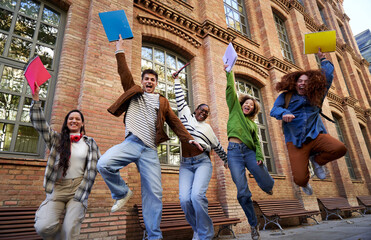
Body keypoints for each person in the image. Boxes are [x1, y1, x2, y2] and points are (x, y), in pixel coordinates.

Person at [96, 35, 202, 240]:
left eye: (153, 80)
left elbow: (175, 123)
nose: (149, 82)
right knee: (104, 163)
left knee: (154, 194)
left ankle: (154, 236)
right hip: (131, 143)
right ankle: (121, 193)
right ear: (142, 82)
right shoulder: (133, 92)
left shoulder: (162, 102)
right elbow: (124, 73)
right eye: (146, 79)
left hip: (150, 151)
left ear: (156, 83)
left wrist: (189, 139)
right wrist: (119, 49)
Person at [270, 49, 347, 195]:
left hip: (316, 135)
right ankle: (304, 182)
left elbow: (328, 76)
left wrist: (323, 59)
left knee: (340, 148)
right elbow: (273, 110)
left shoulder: (316, 95)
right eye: (300, 81)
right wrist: (284, 113)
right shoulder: (286, 96)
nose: (303, 84)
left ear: (310, 83)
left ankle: (317, 161)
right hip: (296, 141)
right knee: (299, 179)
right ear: (295, 82)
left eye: (306, 81)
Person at [31, 83, 101, 240]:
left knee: (70, 232)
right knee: (43, 227)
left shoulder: (90, 143)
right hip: (58, 187)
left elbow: (99, 165)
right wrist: (36, 99)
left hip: (78, 188)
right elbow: (41, 126)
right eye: (71, 118)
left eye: (78, 119)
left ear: (82, 123)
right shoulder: (56, 139)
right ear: (67, 122)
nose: (74, 120)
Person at [173, 74, 228, 240]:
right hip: (185, 164)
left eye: (206, 112)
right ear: (195, 110)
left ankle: (205, 235)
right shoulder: (185, 116)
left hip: (202, 163)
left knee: (197, 196)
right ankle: (198, 229)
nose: (203, 113)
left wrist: (226, 161)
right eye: (201, 110)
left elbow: (217, 147)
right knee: (184, 200)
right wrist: (176, 80)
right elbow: (180, 98)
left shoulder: (208, 129)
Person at [224, 65, 274, 240]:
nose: (248, 105)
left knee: (267, 181)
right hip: (234, 153)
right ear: (242, 104)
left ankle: (268, 186)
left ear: (253, 110)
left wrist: (259, 155)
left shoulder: (252, 124)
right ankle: (254, 225)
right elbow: (231, 89)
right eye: (246, 103)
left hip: (250, 152)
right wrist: (229, 71)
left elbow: (257, 143)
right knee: (243, 193)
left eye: (251, 105)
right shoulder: (234, 110)